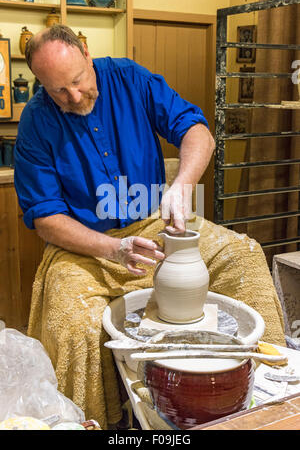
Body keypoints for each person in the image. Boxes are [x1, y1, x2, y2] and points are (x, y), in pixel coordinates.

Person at [14, 25, 285, 428]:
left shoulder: (130, 78)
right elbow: (46, 218)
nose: (73, 97)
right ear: (41, 85)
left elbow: (197, 132)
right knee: (70, 318)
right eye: (57, 91)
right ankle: (101, 423)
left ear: (86, 53)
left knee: (243, 256)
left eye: (77, 82)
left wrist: (182, 186)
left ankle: (270, 396)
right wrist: (112, 250)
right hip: (85, 244)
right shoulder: (36, 120)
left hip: (155, 223)